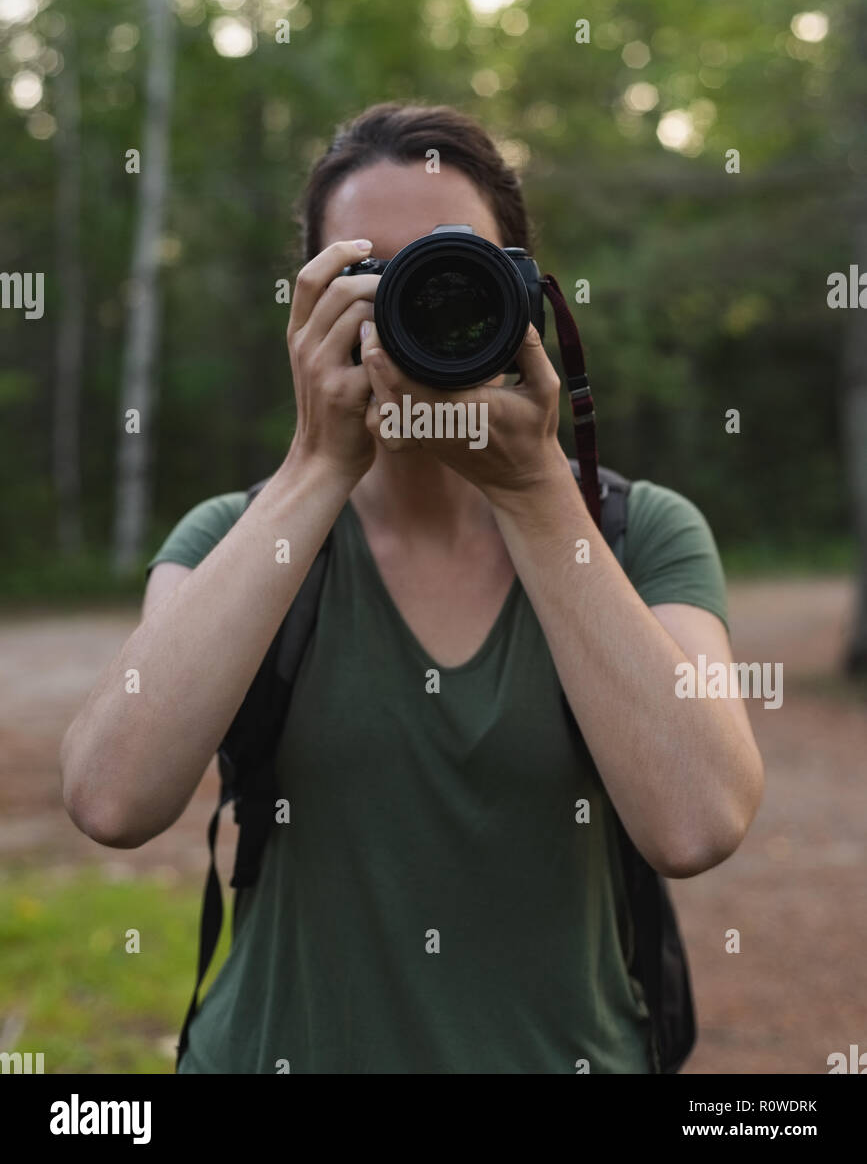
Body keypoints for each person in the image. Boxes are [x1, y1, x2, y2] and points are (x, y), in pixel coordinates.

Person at [60, 102, 764, 1075]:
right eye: (367, 274)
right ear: (306, 306)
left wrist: (533, 495)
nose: (415, 303)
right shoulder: (234, 537)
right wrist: (315, 467)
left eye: (449, 266)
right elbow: (109, 798)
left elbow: (699, 820)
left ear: (522, 291)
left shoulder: (637, 536)